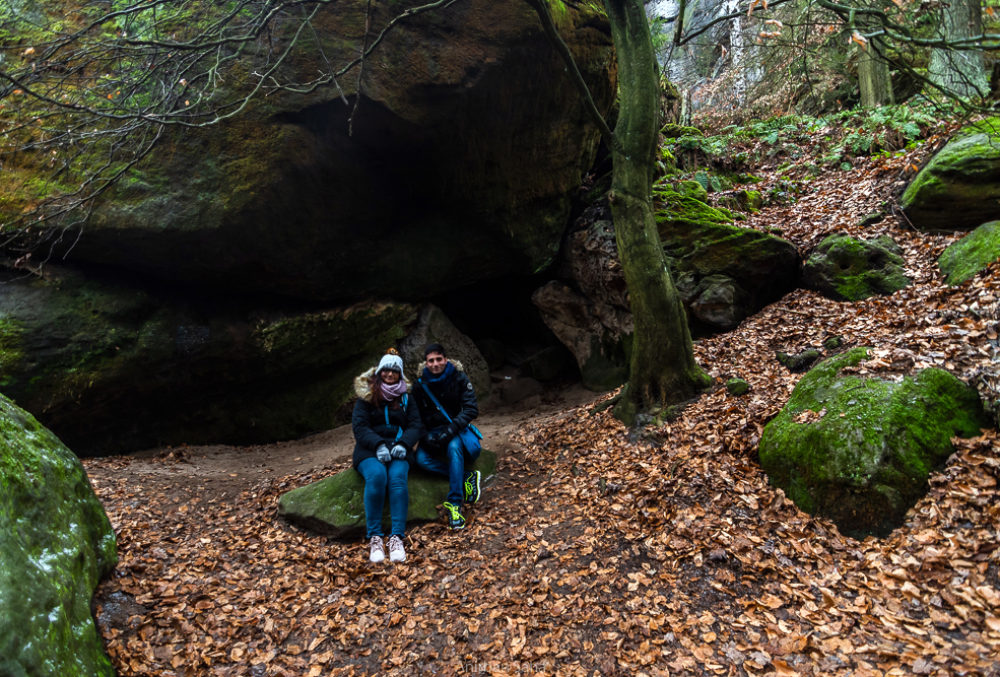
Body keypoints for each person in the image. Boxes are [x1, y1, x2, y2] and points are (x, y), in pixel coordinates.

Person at [351, 348, 423, 563]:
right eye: (386, 371)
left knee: (397, 479)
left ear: (400, 374)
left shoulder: (407, 398)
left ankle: (397, 537)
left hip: (399, 448)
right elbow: (360, 427)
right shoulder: (366, 395)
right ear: (379, 371)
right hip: (370, 450)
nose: (390, 375)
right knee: (377, 477)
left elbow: (415, 425)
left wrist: (404, 444)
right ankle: (374, 537)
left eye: (394, 372)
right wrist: (379, 444)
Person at [412, 342, 481, 530]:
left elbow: (471, 409)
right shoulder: (419, 386)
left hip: (454, 428)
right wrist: (425, 437)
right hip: (432, 432)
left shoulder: (459, 378)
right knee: (421, 460)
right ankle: (466, 476)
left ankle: (455, 504)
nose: (435, 364)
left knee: (453, 448)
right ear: (426, 364)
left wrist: (450, 431)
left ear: (446, 359)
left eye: (438, 359)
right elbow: (415, 417)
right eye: (430, 361)